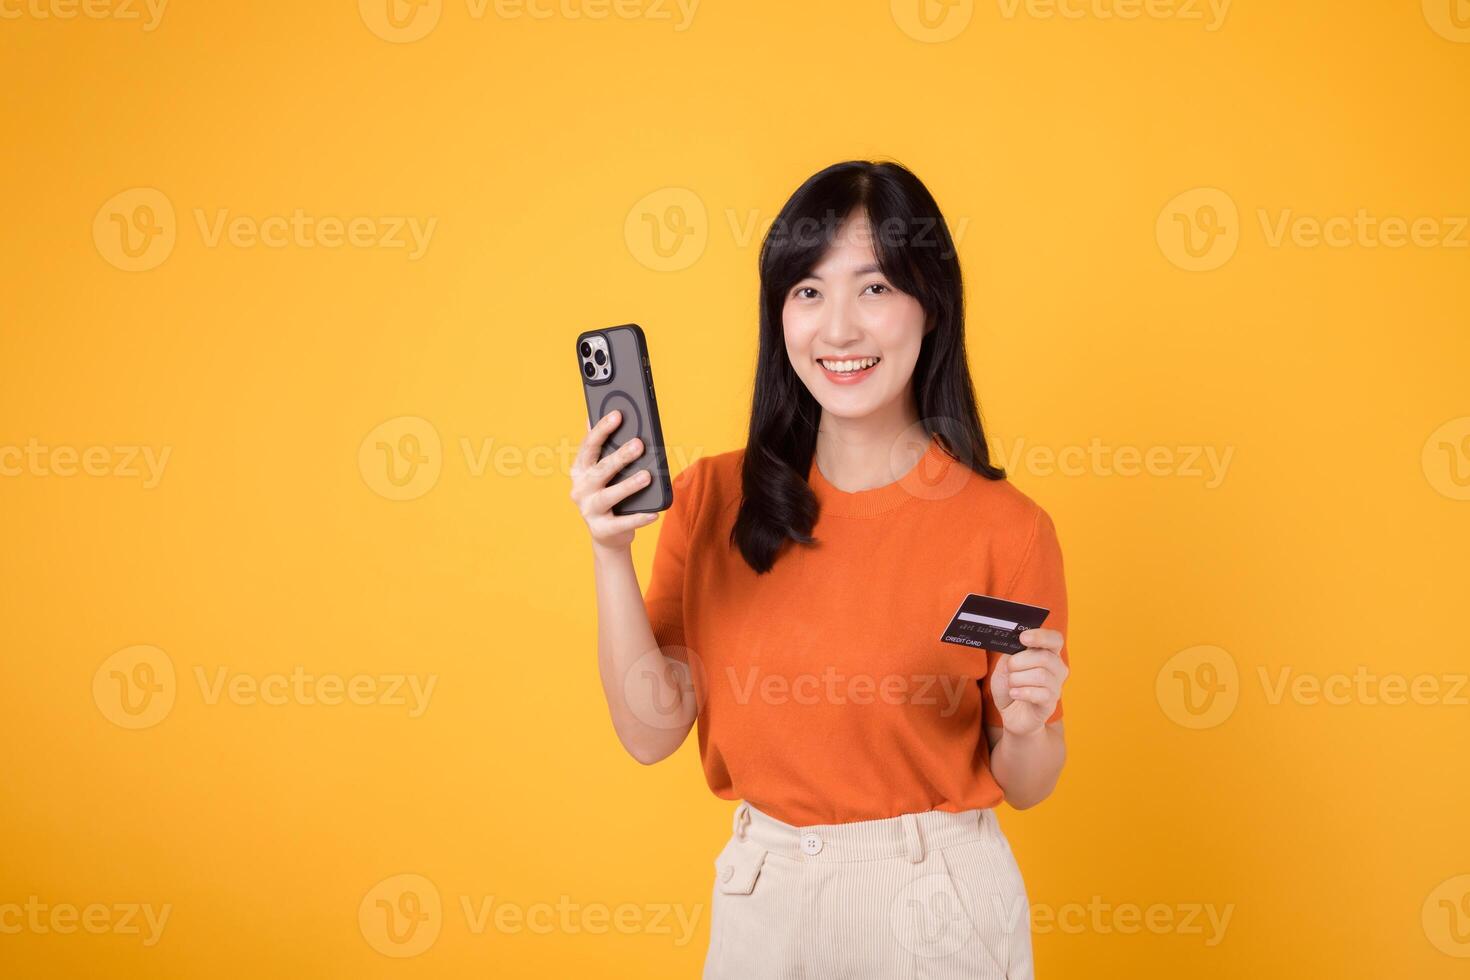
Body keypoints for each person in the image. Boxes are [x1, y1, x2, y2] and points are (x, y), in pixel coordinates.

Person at [571, 159, 1070, 979]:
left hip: (935, 901)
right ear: (780, 315)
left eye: (874, 289)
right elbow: (650, 732)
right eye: (808, 290)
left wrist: (1025, 727)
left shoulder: (1006, 532)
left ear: (931, 305)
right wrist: (608, 552)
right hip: (764, 900)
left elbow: (1028, 781)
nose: (838, 330)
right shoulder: (711, 500)